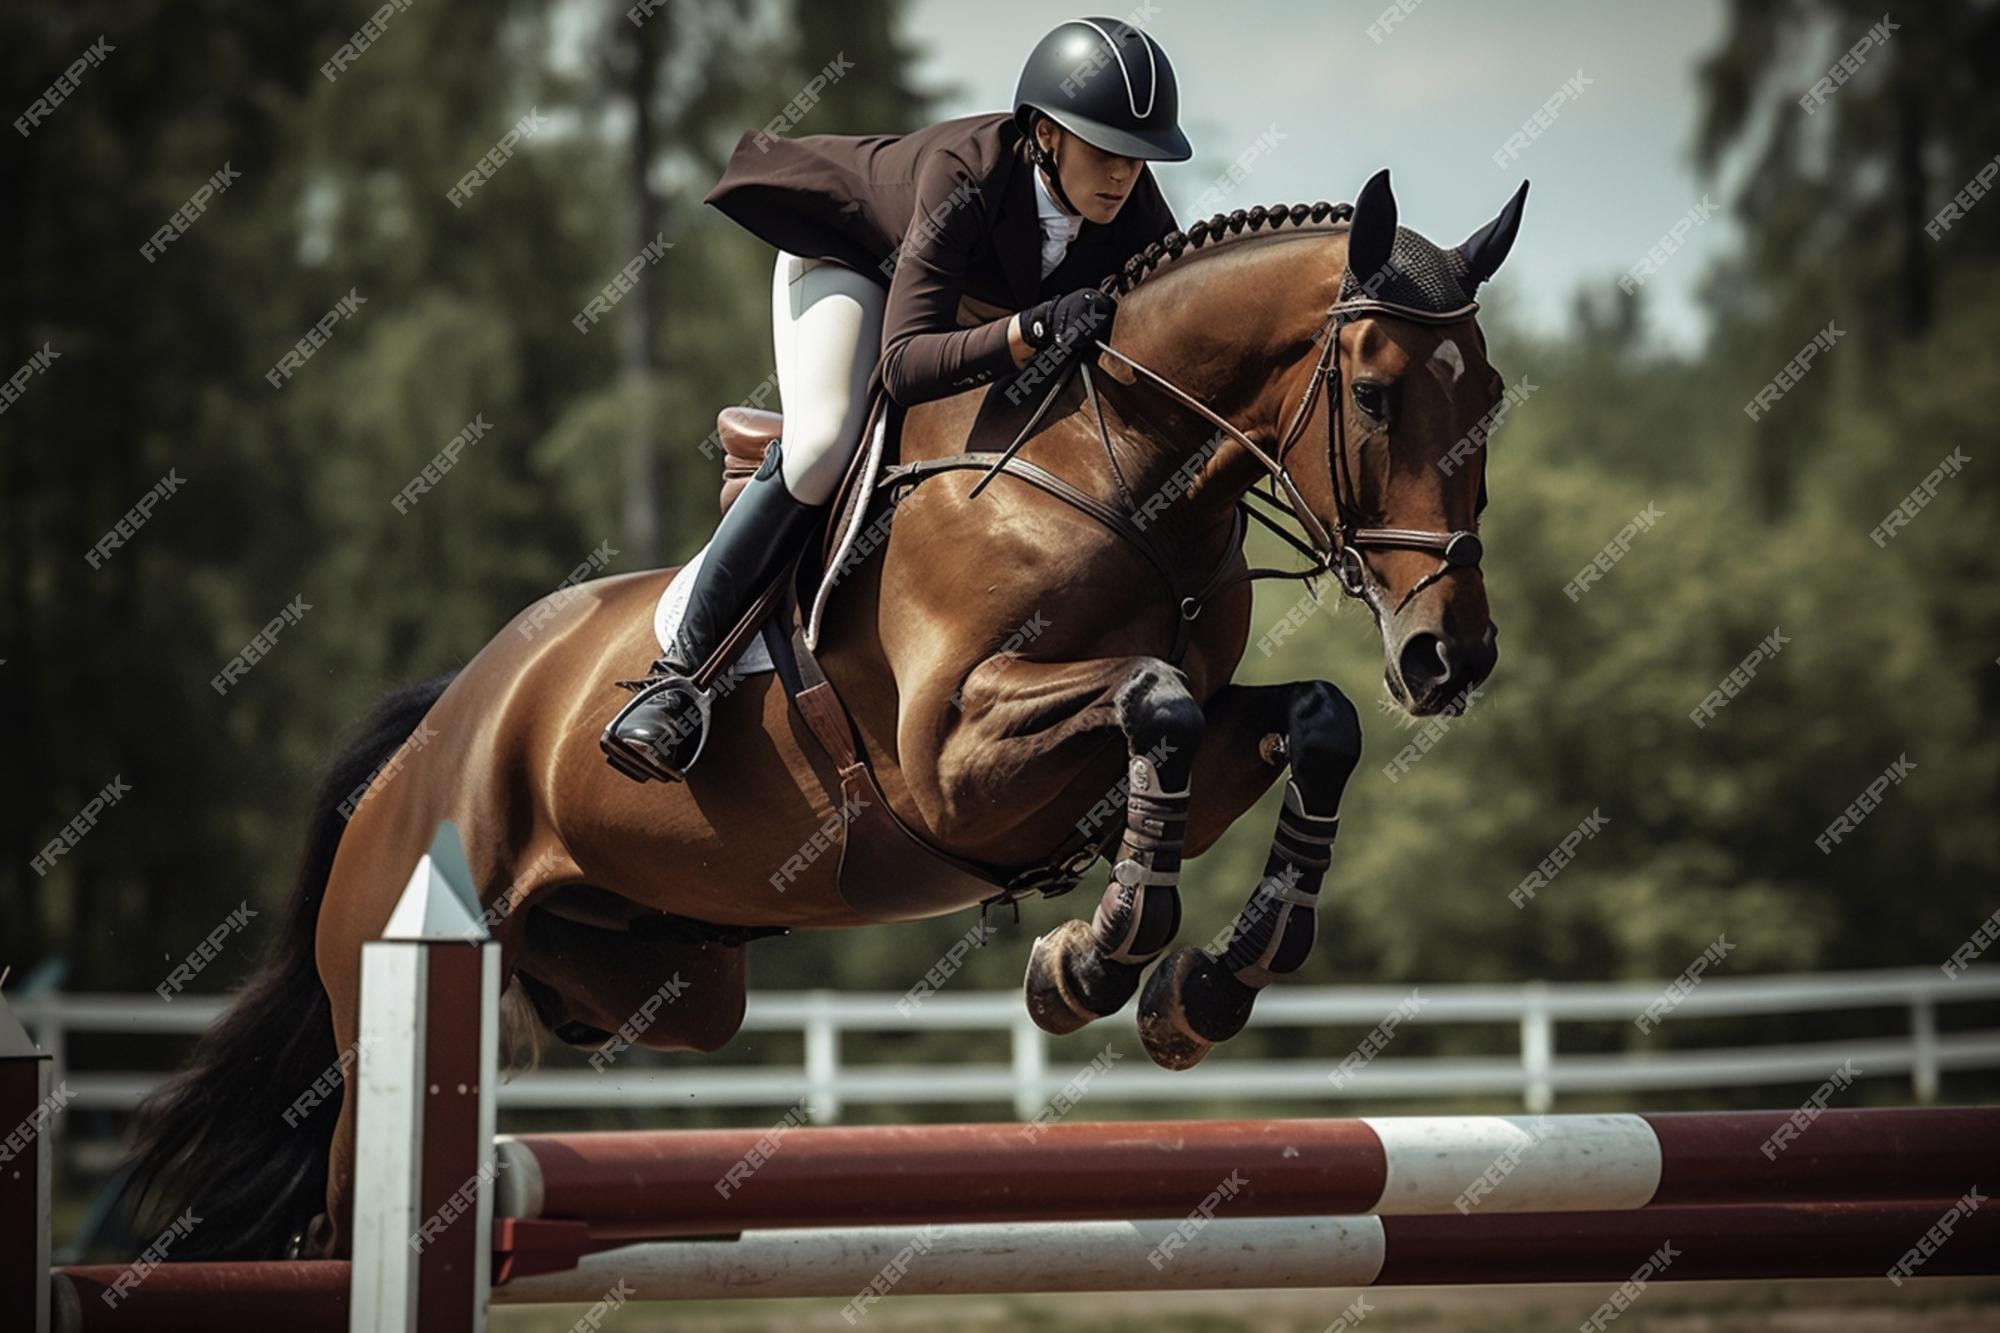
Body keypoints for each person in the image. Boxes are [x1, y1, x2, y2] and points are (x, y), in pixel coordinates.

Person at [602, 16, 1191, 783]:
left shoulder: (1134, 211)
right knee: (823, 446)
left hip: (968, 307)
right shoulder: (966, 171)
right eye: (1107, 152)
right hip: (853, 262)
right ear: (1046, 135)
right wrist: (1031, 328)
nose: (1123, 176)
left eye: (1139, 159)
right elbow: (906, 365)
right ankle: (678, 676)